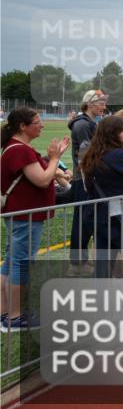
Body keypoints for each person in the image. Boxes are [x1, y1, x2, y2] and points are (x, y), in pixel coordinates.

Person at [1, 107, 70, 331]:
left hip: (22, 214)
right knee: (20, 263)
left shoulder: (16, 148)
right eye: (37, 122)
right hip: (25, 215)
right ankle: (14, 317)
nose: (42, 125)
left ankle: (5, 313)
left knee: (12, 261)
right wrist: (55, 158)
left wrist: (55, 164)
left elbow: (45, 174)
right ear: (23, 126)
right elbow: (42, 179)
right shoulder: (19, 150)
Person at [80, 115, 123, 279]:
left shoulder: (92, 153)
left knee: (103, 266)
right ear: (112, 133)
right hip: (122, 216)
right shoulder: (118, 154)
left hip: (100, 215)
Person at [67, 89, 107, 276]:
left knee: (87, 221)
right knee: (82, 221)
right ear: (90, 104)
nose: (104, 107)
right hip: (83, 179)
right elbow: (87, 154)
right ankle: (76, 263)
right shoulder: (82, 125)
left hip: (88, 178)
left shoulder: (89, 123)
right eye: (101, 103)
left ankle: (80, 261)